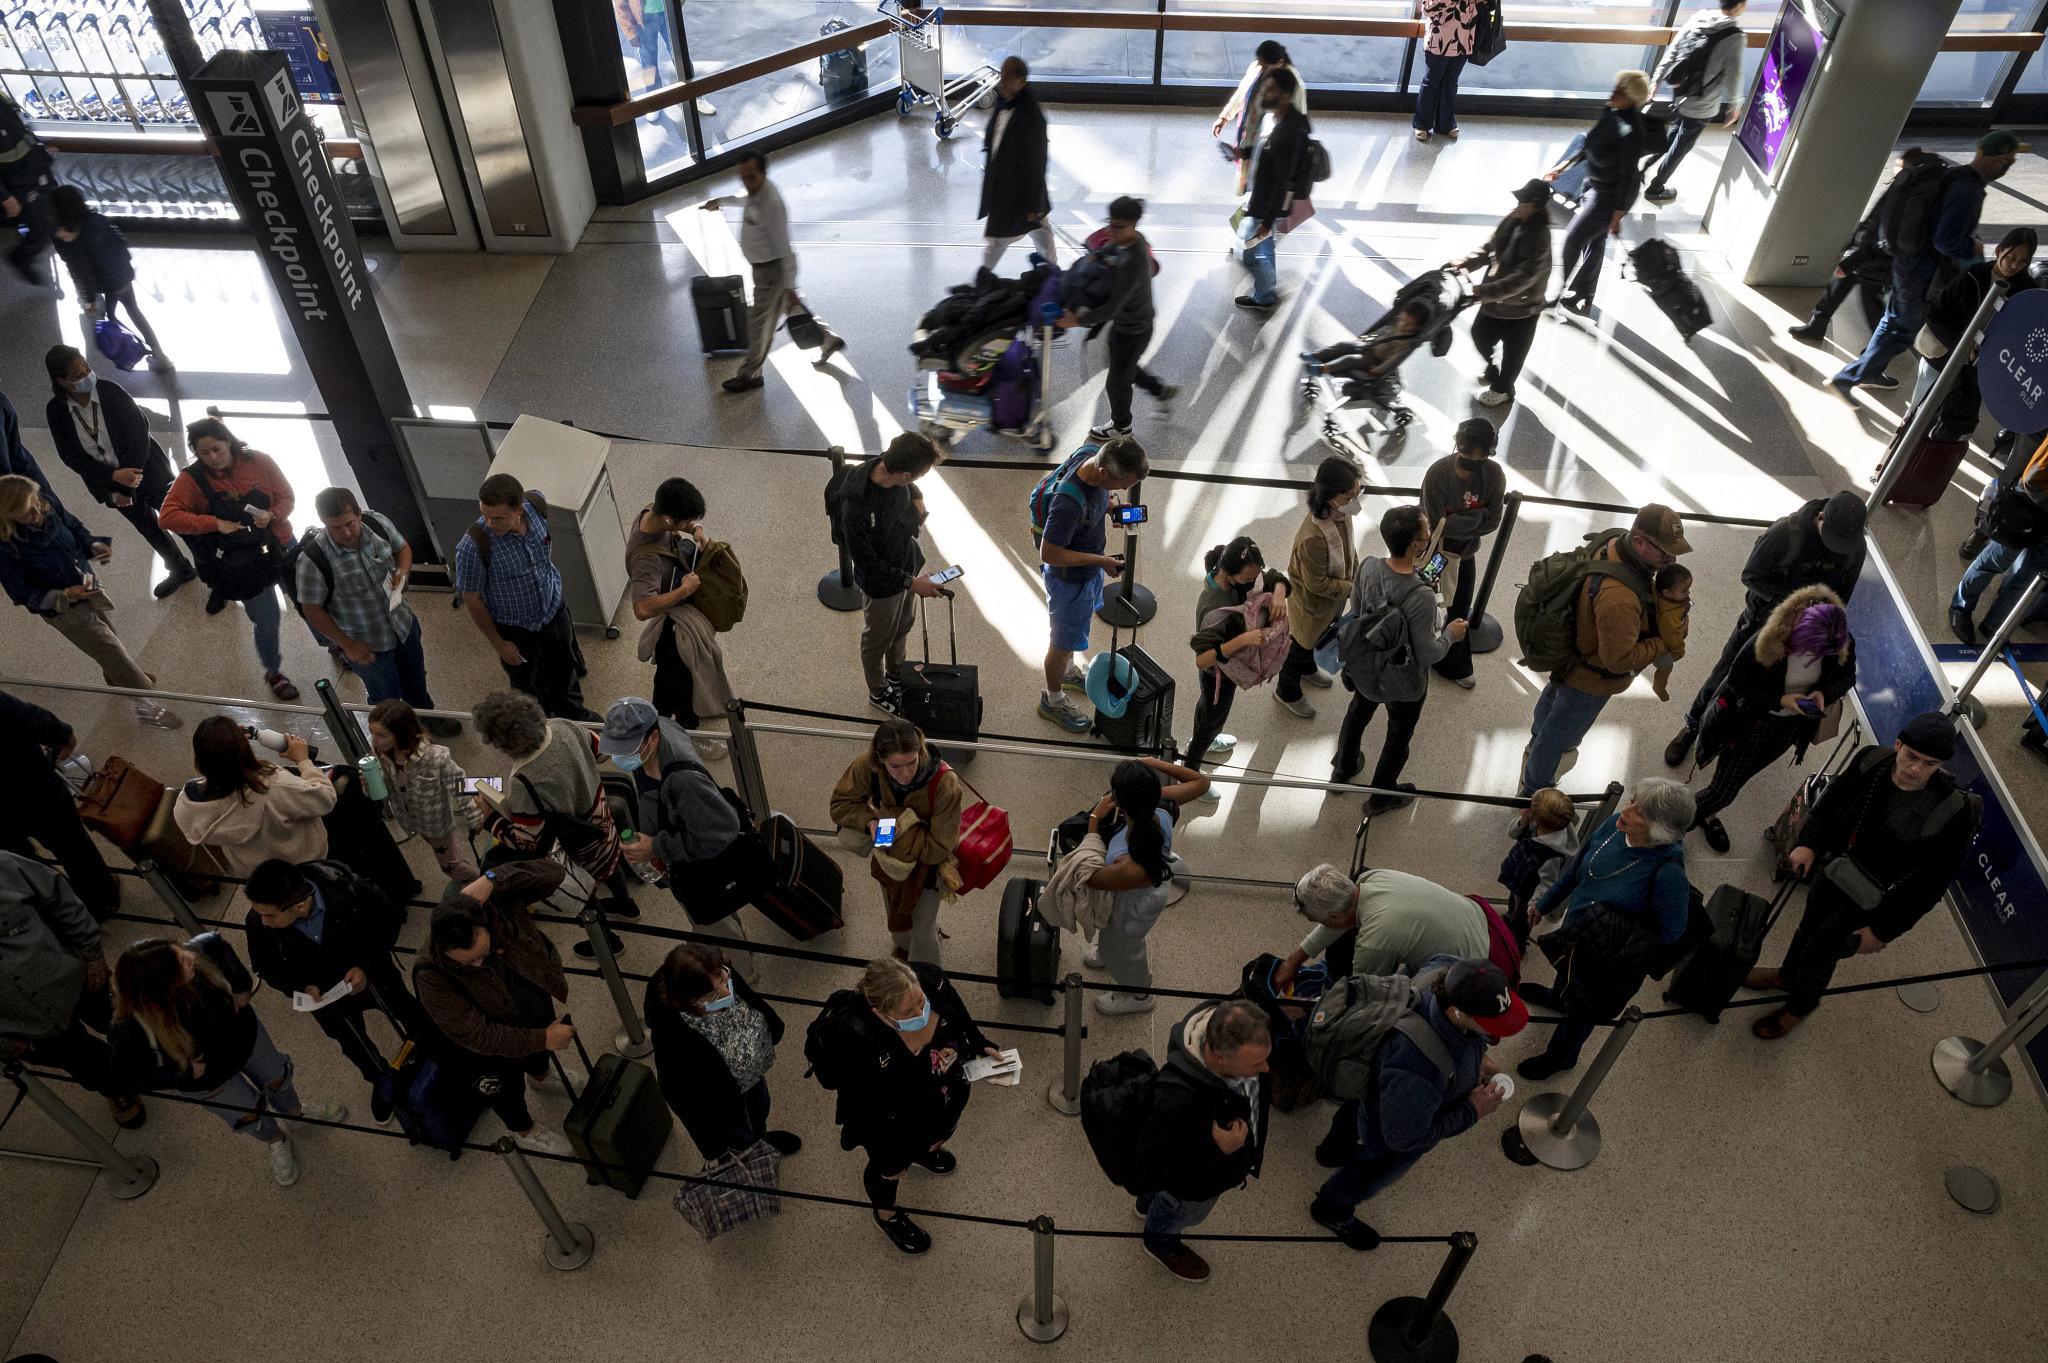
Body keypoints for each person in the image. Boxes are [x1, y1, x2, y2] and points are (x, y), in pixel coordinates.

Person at [1747, 714, 1980, 1040]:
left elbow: (1930, 886)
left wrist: (1883, 930)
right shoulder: (1871, 760)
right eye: (1911, 756)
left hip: (1872, 900)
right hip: (1834, 870)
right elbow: (1832, 801)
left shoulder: (1951, 812)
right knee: (1806, 929)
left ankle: (1800, 1006)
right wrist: (1808, 844)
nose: (1916, 769)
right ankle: (1787, 975)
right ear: (1898, 745)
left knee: (1822, 952)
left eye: (1929, 763)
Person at [1308, 956, 1524, 1250]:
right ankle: (1331, 1209)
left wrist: (1477, 1061)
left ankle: (1331, 1150)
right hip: (1390, 1124)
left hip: (1374, 1084)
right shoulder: (1417, 1067)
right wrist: (1471, 1110)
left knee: (1356, 1110)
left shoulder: (1443, 973)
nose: (1496, 1032)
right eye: (1488, 1024)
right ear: (1455, 1011)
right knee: (1374, 1166)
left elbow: (1463, 1038)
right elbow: (1404, 1139)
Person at [109, 934, 347, 1186]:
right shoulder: (131, 1026)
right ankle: (276, 1140)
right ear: (163, 983)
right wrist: (182, 1076)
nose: (189, 956)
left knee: (277, 1076)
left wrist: (241, 985)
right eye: (180, 960)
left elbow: (216, 942)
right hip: (209, 1080)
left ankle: (295, 1114)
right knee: (247, 1114)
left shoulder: (192, 956)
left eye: (180, 951)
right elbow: (122, 1075)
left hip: (245, 1037)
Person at [813, 957, 998, 1254]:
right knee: (890, 1168)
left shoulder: (930, 979)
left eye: (920, 1002)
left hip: (942, 1097)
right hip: (892, 1121)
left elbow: (958, 1016)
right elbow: (865, 1105)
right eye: (908, 1011)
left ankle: (928, 1150)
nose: (920, 1013)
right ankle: (886, 1214)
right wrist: (893, 1154)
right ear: (881, 1013)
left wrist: (978, 1043)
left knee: (941, 1131)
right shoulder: (855, 1038)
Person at [1666, 491, 1864, 768]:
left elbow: (1843, 594)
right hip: (1761, 622)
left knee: (1782, 684)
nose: (1837, 547)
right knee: (1727, 673)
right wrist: (1792, 605)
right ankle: (1693, 725)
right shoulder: (1785, 533)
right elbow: (1751, 576)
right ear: (1821, 517)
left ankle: (1743, 734)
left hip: (1808, 632)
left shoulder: (1854, 547)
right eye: (1832, 539)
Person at [1518, 779, 1695, 1079]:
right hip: (1578, 932)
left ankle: (1561, 1057)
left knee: (1582, 1012)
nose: (1627, 809)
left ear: (1660, 829)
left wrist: (1616, 930)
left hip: (1606, 958)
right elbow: (1577, 869)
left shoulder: (1669, 876)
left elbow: (1673, 930)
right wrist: (1545, 904)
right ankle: (1556, 997)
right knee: (1566, 973)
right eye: (1632, 800)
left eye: (1640, 811)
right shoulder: (1616, 824)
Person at [1831, 131, 2025, 396]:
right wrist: (1972, 245)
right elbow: (1945, 241)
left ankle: (1870, 371)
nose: (2010, 166)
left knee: (1892, 321)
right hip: (1922, 270)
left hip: (1908, 263)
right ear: (1996, 161)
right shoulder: (1969, 191)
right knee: (1900, 331)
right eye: (2010, 160)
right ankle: (1846, 378)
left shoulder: (1955, 175)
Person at [1522, 505, 1691, 796]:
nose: (1671, 559)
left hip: (1570, 655)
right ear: (1638, 542)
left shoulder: (1612, 541)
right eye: (1664, 551)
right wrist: (1662, 643)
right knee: (1558, 739)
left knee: (1549, 713)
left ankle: (1533, 754)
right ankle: (1534, 795)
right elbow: (1618, 661)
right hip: (1589, 680)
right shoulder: (1620, 598)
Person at [242, 857, 422, 1125]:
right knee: (353, 1043)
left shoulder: (345, 888)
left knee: (404, 1009)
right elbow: (266, 968)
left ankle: (429, 1045)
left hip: (374, 976)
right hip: (326, 998)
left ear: (300, 904)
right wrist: (300, 987)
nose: (264, 921)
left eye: (270, 915)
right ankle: (381, 1080)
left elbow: (387, 921)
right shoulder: (259, 922)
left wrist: (366, 966)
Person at [413, 865, 578, 1155]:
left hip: (528, 1001)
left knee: (540, 1047)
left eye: (482, 954)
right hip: (487, 1051)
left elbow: (554, 873)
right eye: (468, 962)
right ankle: (524, 1130)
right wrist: (542, 1039)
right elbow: (480, 1036)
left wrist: (494, 878)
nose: (479, 964)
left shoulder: (494, 902)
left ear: (484, 923)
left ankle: (541, 1076)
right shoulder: (429, 974)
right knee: (506, 1091)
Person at [0, 474, 178, 729]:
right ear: (8, 516)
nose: (36, 512)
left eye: (35, 504)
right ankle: (147, 706)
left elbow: (72, 525)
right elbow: (22, 594)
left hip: (88, 586)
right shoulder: (7, 548)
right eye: (26, 513)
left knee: (110, 636)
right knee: (112, 650)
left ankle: (117, 678)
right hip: (65, 609)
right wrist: (65, 595)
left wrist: (93, 544)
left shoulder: (45, 503)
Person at [1689, 590, 1856, 852]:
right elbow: (1738, 681)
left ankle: (1706, 814)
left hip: (1790, 728)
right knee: (1723, 791)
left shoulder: (1838, 639)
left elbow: (1846, 677)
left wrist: (1823, 692)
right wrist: (1781, 700)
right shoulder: (1768, 639)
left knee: (1743, 775)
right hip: (1753, 721)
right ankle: (1673, 823)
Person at [472, 690, 632, 953]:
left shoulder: (523, 779)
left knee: (586, 895)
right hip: (602, 822)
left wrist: (491, 819)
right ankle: (626, 904)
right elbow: (601, 753)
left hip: (577, 847)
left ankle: (608, 942)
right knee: (611, 864)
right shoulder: (564, 725)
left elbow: (526, 842)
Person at [1127, 997, 1272, 1282]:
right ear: (1219, 1057)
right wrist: (1223, 1150)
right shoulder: (1180, 1100)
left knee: (1159, 1194)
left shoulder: (1219, 1028)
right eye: (1256, 1063)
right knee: (1177, 1210)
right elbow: (1173, 1155)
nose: (1266, 1069)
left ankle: (1146, 1204)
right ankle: (1159, 1243)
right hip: (1193, 1182)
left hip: (1178, 1174)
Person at [157, 417, 300, 700]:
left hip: (281, 543)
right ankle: (274, 671)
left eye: (217, 449)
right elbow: (167, 517)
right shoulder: (192, 479)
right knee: (267, 618)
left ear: (230, 442)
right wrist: (213, 523)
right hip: (243, 561)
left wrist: (273, 514)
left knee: (308, 600)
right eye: (203, 452)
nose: (213, 458)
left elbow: (286, 496)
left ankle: (334, 644)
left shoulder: (259, 460)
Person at [1333, 505, 1466, 807]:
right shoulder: (1420, 595)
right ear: (1416, 545)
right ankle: (1381, 796)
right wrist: (1450, 635)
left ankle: (1343, 768)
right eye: (1426, 533)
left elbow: (1356, 612)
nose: (1429, 535)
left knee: (1357, 714)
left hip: (1366, 665)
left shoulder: (1367, 565)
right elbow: (1428, 654)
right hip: (1403, 681)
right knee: (1397, 736)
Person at [0, 851, 144, 1129]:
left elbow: (59, 898)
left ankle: (152, 1049)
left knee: (118, 1020)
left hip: (74, 978)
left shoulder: (3, 866)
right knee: (86, 1065)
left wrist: (93, 955)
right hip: (26, 1027)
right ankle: (115, 1088)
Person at [42, 345, 194, 594]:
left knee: (178, 518)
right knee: (149, 528)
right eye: (77, 375)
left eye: (87, 368)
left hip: (147, 470)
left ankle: (209, 566)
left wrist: (127, 480)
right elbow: (71, 456)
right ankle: (180, 569)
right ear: (61, 381)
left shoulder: (110, 391)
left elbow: (138, 433)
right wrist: (114, 479)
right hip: (110, 483)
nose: (86, 376)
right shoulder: (56, 411)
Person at [602, 696, 759, 928]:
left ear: (653, 738)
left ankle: (725, 961)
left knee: (718, 927)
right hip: (681, 859)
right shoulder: (659, 730)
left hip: (705, 874)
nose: (619, 758)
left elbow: (723, 831)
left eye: (627, 749)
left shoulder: (684, 782)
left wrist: (655, 846)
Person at [454, 474, 597, 723]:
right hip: (515, 629)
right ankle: (541, 727)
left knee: (564, 668)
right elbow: (473, 599)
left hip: (552, 610)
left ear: (519, 509)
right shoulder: (473, 546)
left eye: (498, 517)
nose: (490, 523)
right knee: (528, 686)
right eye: (485, 514)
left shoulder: (536, 505)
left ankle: (574, 714)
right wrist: (499, 644)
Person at [644, 943, 802, 1165]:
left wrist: (771, 1027)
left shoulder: (715, 972)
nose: (727, 992)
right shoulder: (672, 1035)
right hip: (723, 1101)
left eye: (723, 979)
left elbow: (750, 999)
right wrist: (711, 1147)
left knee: (759, 1108)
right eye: (713, 994)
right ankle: (745, 1156)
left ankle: (759, 1139)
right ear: (688, 1000)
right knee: (739, 1134)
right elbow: (680, 1095)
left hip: (750, 1077)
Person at [702, 150, 845, 393]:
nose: (746, 182)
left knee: (759, 324)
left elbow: (785, 251)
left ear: (764, 174)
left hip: (772, 274)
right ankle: (828, 340)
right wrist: (721, 202)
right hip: (764, 271)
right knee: (789, 311)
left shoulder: (772, 205)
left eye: (751, 177)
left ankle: (750, 375)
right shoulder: (755, 192)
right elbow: (743, 198)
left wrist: (789, 288)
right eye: (743, 177)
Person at [296, 486, 444, 716]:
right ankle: (397, 739)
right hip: (367, 646)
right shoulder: (313, 560)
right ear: (324, 522)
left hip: (403, 626)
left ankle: (427, 717)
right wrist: (347, 644)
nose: (345, 533)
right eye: (335, 528)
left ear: (359, 515)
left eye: (349, 524)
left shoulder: (378, 525)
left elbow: (402, 548)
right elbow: (312, 610)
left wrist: (402, 573)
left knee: (416, 680)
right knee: (386, 699)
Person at [828, 719, 965, 966]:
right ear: (880, 760)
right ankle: (903, 947)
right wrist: (869, 822)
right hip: (888, 849)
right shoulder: (866, 767)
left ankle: (926, 979)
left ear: (920, 750)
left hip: (926, 864)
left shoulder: (946, 783)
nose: (905, 773)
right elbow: (840, 806)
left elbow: (939, 848)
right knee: (894, 907)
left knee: (923, 928)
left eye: (911, 763)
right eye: (895, 766)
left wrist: (894, 825)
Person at [1036, 434, 1148, 733]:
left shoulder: (1091, 454)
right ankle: (1053, 699)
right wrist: (1101, 562)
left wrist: (1111, 508)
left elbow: (1101, 497)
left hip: (1086, 571)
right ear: (1103, 473)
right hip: (1069, 582)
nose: (1124, 490)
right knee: (1061, 643)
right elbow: (1049, 553)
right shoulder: (1068, 504)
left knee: (1071, 637)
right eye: (1122, 484)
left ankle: (1069, 672)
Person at [1080, 756, 1209, 1013]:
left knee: (1128, 948)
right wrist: (1153, 763)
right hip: (1149, 888)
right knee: (1115, 938)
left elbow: (1091, 878)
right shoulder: (1161, 804)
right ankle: (1107, 952)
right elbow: (1201, 782)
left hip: (1135, 904)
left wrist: (1094, 821)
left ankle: (1139, 995)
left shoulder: (1129, 867)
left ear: (1120, 804)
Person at [836, 433, 943, 716]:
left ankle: (896, 673)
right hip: (882, 585)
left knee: (903, 625)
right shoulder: (855, 508)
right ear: (906, 474)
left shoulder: (891, 471)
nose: (920, 479)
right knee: (877, 639)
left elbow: (909, 488)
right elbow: (867, 563)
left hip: (906, 566)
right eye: (919, 476)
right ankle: (878, 689)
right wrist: (912, 583)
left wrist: (917, 496)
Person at [626, 476, 733, 750]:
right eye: (686, 522)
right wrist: (685, 591)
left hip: (674, 598)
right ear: (670, 521)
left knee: (674, 676)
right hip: (671, 622)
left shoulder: (653, 510)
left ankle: (668, 724)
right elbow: (642, 608)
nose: (689, 526)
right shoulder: (645, 561)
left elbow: (679, 525)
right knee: (677, 677)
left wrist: (695, 528)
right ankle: (682, 731)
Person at [1057, 197, 1178, 439]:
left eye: (1118, 227)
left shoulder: (1135, 262)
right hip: (1126, 323)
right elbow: (1113, 248)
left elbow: (1112, 307)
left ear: (1133, 225)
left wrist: (1077, 321)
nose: (1111, 231)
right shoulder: (1131, 239)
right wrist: (1099, 255)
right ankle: (1160, 390)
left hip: (1134, 327)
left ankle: (1122, 426)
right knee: (1123, 368)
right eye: (1109, 224)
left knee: (1116, 382)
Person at [1787, 149, 1936, 342]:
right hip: (1864, 254)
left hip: (1873, 261)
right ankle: (1818, 325)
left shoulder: (1905, 196)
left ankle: (1877, 350)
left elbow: (1885, 235)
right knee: (1835, 291)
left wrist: (1855, 258)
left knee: (1872, 308)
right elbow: (1874, 222)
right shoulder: (1899, 189)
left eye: (1898, 165)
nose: (1894, 168)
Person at [1275, 865, 1493, 993]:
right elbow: (1338, 923)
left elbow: (1362, 992)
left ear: (1333, 916)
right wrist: (1293, 961)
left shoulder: (1375, 938)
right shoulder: (1372, 879)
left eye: (1319, 920)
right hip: (1475, 924)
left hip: (1466, 970)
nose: (1323, 926)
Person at [0, 689, 121, 917]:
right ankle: (102, 898)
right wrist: (62, 735)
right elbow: (23, 715)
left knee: (23, 863)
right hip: (31, 787)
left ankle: (63, 911)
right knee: (72, 844)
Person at [1545, 70, 1656, 315]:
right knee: (1594, 240)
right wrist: (1564, 166)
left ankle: (1557, 291)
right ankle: (1584, 292)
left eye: (1620, 90)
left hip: (1611, 195)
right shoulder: (1612, 113)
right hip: (1595, 183)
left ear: (1630, 98)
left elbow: (1626, 176)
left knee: (1573, 240)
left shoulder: (1631, 130)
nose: (1613, 92)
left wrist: (1616, 217)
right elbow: (1590, 144)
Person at [1184, 535, 1290, 786]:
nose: (1254, 582)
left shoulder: (1237, 575)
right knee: (1211, 715)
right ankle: (1191, 768)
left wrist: (1279, 591)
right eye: (1248, 579)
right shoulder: (1213, 608)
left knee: (1213, 715)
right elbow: (1203, 659)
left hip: (1231, 666)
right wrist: (1244, 640)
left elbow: (1272, 577)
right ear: (1228, 573)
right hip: (1217, 674)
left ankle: (1209, 737)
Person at [173, 715, 336, 877]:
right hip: (304, 863)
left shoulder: (189, 801)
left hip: (258, 874)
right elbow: (325, 799)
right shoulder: (275, 786)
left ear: (199, 758)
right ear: (244, 750)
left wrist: (228, 750)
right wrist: (304, 761)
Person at [1906, 226, 2038, 418]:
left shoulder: (2026, 292)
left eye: (2022, 261)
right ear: (1999, 250)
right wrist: (1960, 343)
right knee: (1918, 409)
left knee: (1951, 417)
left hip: (1978, 369)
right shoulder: (1973, 275)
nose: (2014, 265)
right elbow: (1935, 311)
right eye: (2011, 257)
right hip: (1944, 355)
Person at [1421, 419, 1506, 686]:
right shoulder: (1437, 473)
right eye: (1468, 454)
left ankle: (1455, 664)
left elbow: (1493, 522)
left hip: (1465, 556)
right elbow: (1435, 526)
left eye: (1480, 457)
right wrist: (1476, 516)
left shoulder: (1493, 475)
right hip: (1435, 555)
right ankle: (1419, 653)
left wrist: (1455, 521)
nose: (1473, 461)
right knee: (1423, 599)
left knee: (1459, 608)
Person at [49, 185, 171, 370]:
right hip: (123, 274)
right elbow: (120, 243)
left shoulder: (71, 239)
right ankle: (159, 356)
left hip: (107, 283)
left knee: (108, 320)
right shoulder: (98, 219)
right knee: (133, 311)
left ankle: (132, 351)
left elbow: (82, 273)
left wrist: (89, 300)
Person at [1456, 179, 1554, 407]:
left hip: (1522, 310)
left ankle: (1504, 389)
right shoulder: (1512, 220)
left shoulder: (1540, 238)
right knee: (1480, 334)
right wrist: (1466, 263)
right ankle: (1492, 369)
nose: (1517, 205)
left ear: (1536, 206)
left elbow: (1522, 279)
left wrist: (1481, 292)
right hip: (1494, 300)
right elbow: (1489, 248)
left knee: (1513, 355)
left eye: (1523, 201)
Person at [1276, 456, 1363, 714]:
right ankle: (1286, 691)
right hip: (1311, 607)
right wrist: (1354, 588)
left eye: (1358, 492)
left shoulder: (1340, 513)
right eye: (1350, 495)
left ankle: (1308, 668)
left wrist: (1356, 573)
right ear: (1330, 494)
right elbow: (1317, 584)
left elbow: (1350, 549)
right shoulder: (1313, 537)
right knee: (1300, 645)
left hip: (1331, 602)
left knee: (1314, 642)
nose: (1355, 500)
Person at [1641, 1, 1747, 205]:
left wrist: (1656, 79)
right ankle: (1656, 188)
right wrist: (1735, 105)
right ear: (1740, 6)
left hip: (1679, 92)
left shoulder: (1697, 19)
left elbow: (1672, 51)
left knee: (1673, 133)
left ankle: (1646, 165)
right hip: (1703, 102)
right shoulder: (1736, 37)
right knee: (1682, 145)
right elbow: (1735, 75)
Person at [368, 700, 478, 885]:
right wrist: (369, 783)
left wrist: (474, 816)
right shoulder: (383, 754)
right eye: (372, 733)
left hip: (436, 824)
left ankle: (482, 884)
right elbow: (383, 792)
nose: (374, 740)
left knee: (450, 866)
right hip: (414, 821)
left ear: (400, 733)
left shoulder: (435, 757)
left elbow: (459, 783)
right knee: (450, 857)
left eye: (381, 734)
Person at [1953, 435, 2048, 645]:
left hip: (2037, 508)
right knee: (1995, 561)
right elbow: (2034, 478)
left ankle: (1994, 625)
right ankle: (1961, 607)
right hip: (2031, 506)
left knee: (2027, 578)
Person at [1236, 67, 1313, 312]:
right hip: (1261, 196)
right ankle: (1265, 293)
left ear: (1284, 95)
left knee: (1250, 252)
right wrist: (1245, 153)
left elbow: (1283, 180)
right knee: (1261, 248)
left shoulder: (1289, 132)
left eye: (1269, 89)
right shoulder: (1275, 119)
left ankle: (1266, 293)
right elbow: (1265, 151)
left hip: (1267, 203)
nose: (1263, 93)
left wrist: (1268, 221)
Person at [979, 56, 1056, 271]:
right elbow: (995, 132)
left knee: (1001, 236)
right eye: (1001, 76)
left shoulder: (1032, 117)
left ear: (1021, 80)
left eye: (1006, 77)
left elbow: (1037, 162)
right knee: (1041, 231)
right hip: (1007, 183)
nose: (1002, 81)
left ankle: (983, 276)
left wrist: (1034, 202)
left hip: (1016, 189)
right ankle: (1052, 270)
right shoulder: (1006, 98)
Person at [1213, 40, 1307, 195]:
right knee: (1251, 178)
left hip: (1271, 144)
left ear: (1279, 62)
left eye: (1265, 65)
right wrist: (1224, 117)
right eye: (1260, 63)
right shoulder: (1256, 68)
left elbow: (1296, 120)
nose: (1262, 69)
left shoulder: (1291, 82)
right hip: (1251, 138)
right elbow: (1241, 94)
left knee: (1264, 183)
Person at [1499, 788, 1581, 944]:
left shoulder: (1551, 855)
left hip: (1528, 892)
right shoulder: (1537, 824)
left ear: (1537, 818)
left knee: (1522, 919)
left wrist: (1535, 904)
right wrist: (1522, 820)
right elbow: (1513, 833)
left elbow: (1547, 883)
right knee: (1513, 903)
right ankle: (1510, 919)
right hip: (1518, 877)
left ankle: (1517, 943)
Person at [0, 89, 55, 284]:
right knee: (42, 225)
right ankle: (21, 258)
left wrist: (38, 146)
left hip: (32, 166)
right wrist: (6, 198)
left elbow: (16, 125)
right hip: (16, 180)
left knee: (51, 210)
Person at [1413, 0, 1479, 143]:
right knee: (1432, 82)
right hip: (1439, 40)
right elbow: (1426, 9)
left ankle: (1446, 124)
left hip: (1463, 40)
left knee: (1451, 82)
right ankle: (1422, 124)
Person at [1648, 563, 1692, 702]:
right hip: (1662, 646)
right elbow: (1673, 637)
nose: (1688, 593)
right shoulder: (1669, 615)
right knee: (1666, 667)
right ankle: (1659, 686)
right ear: (1667, 592)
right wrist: (1679, 651)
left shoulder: (1658, 590)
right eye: (1684, 591)